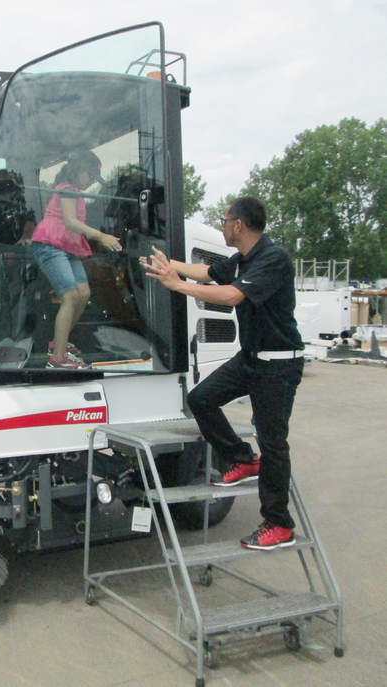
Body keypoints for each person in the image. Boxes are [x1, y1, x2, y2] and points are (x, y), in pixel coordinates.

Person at [141, 196, 304, 551]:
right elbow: (208, 272)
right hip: (252, 358)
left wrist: (177, 285)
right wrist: (169, 265)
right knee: (201, 398)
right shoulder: (244, 258)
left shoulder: (272, 259)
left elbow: (231, 296)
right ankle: (242, 458)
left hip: (278, 363)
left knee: (273, 441)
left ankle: (279, 524)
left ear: (239, 225)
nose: (223, 224)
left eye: (225, 219)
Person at [31, 150, 122, 369]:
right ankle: (57, 359)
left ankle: (59, 343)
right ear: (79, 170)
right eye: (90, 176)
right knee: (70, 297)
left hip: (67, 247)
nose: (91, 182)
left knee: (84, 294)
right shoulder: (67, 189)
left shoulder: (76, 193)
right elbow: (71, 222)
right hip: (50, 245)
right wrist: (101, 236)